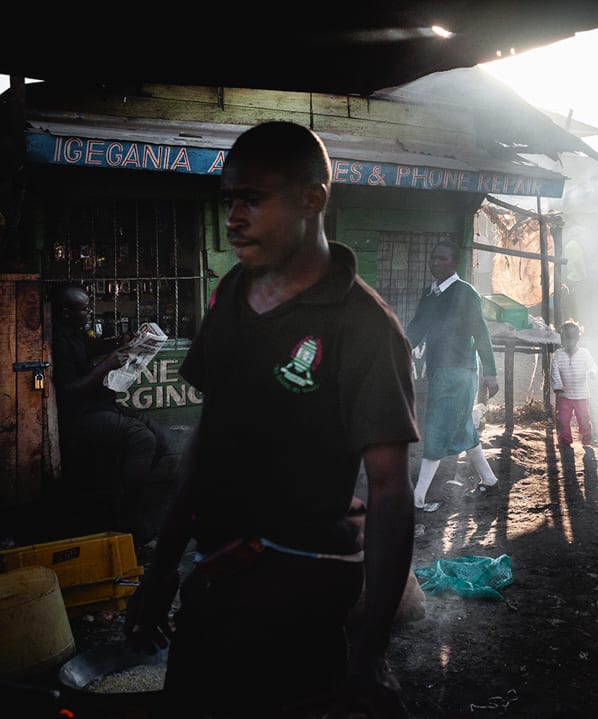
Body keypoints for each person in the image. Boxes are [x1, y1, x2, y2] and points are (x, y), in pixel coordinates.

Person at [123, 121, 419, 719]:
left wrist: (370, 650)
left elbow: (390, 489)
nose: (233, 217)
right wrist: (161, 569)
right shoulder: (232, 293)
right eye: (230, 200)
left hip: (306, 591)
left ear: (313, 198)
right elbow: (209, 434)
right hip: (214, 577)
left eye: (253, 199)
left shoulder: (364, 326)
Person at [50, 283, 168, 547]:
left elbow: (91, 347)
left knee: (158, 436)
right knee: (142, 438)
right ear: (67, 312)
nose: (89, 313)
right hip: (78, 416)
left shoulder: (75, 332)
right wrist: (104, 368)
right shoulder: (57, 340)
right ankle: (130, 517)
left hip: (100, 405)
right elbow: (68, 391)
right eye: (84, 309)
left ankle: (125, 497)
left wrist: (121, 343)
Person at [407, 239, 500, 513]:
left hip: (460, 373)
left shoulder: (466, 293)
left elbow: (481, 334)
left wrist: (491, 373)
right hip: (437, 370)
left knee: (435, 429)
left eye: (442, 259)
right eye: (433, 258)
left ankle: (417, 497)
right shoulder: (430, 294)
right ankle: (490, 480)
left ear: (454, 262)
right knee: (463, 429)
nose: (435, 263)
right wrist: (400, 346)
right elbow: (416, 327)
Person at [550, 319, 598, 457]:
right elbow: (555, 371)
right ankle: (565, 440)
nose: (568, 341)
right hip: (564, 395)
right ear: (561, 338)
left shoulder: (584, 353)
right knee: (563, 418)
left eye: (571, 337)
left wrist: (592, 373)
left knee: (583, 417)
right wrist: (558, 386)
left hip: (581, 395)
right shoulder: (558, 354)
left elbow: (592, 366)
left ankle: (586, 435)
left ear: (578, 338)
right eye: (565, 338)